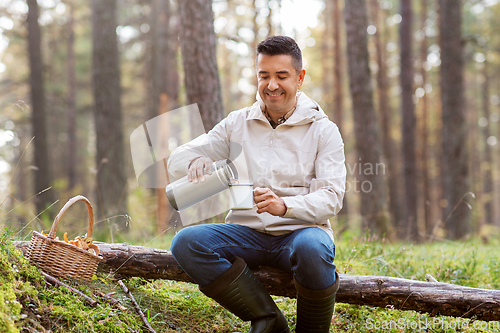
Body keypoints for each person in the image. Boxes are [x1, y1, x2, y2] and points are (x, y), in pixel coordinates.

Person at [168, 35, 346, 333]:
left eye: (281, 76)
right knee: (186, 242)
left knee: (313, 248)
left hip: (299, 233)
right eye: (264, 76)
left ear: (300, 78)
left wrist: (285, 206)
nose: (271, 85)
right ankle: (269, 320)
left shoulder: (323, 131)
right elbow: (177, 159)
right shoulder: (238, 123)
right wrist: (192, 162)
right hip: (245, 233)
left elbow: (331, 198)